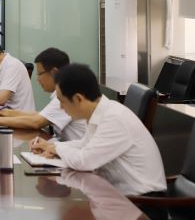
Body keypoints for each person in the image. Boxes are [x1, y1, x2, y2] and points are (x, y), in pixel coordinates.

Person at [30, 64, 166, 196]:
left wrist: (56, 149)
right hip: (116, 195)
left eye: (62, 101)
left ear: (78, 99)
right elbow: (84, 145)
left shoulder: (114, 119)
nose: (60, 107)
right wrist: (51, 146)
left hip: (142, 201)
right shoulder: (100, 112)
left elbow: (84, 161)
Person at [0, 48, 86, 140]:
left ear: (54, 72)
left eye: (40, 74)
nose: (37, 79)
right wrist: (7, 113)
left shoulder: (67, 95)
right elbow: (41, 115)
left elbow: (36, 122)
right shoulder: (63, 92)